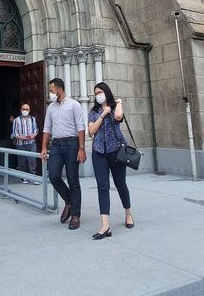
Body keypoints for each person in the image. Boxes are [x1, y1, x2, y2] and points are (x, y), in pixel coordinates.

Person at [87, 82, 134, 239]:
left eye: (100, 92)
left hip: (116, 151)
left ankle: (128, 213)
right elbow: (91, 131)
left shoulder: (115, 107)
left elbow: (119, 117)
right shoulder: (94, 111)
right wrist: (102, 114)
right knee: (102, 187)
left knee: (120, 184)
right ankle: (105, 225)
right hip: (99, 152)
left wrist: (118, 103)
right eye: (96, 93)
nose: (98, 95)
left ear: (106, 93)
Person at [41, 78, 86, 230]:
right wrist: (43, 147)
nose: (50, 94)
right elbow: (47, 128)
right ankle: (69, 201)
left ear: (59, 90)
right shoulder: (51, 108)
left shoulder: (74, 105)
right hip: (56, 144)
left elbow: (81, 127)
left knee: (73, 179)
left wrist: (81, 148)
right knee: (53, 175)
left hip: (72, 144)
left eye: (52, 91)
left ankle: (75, 215)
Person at [11, 102, 38, 183]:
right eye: (23, 109)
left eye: (26, 109)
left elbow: (36, 129)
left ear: (29, 110)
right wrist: (20, 137)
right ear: (21, 110)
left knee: (32, 160)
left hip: (31, 143)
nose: (25, 110)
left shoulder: (33, 119)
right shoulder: (17, 120)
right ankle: (23, 177)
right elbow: (14, 132)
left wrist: (33, 135)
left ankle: (33, 177)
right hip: (21, 144)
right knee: (22, 161)